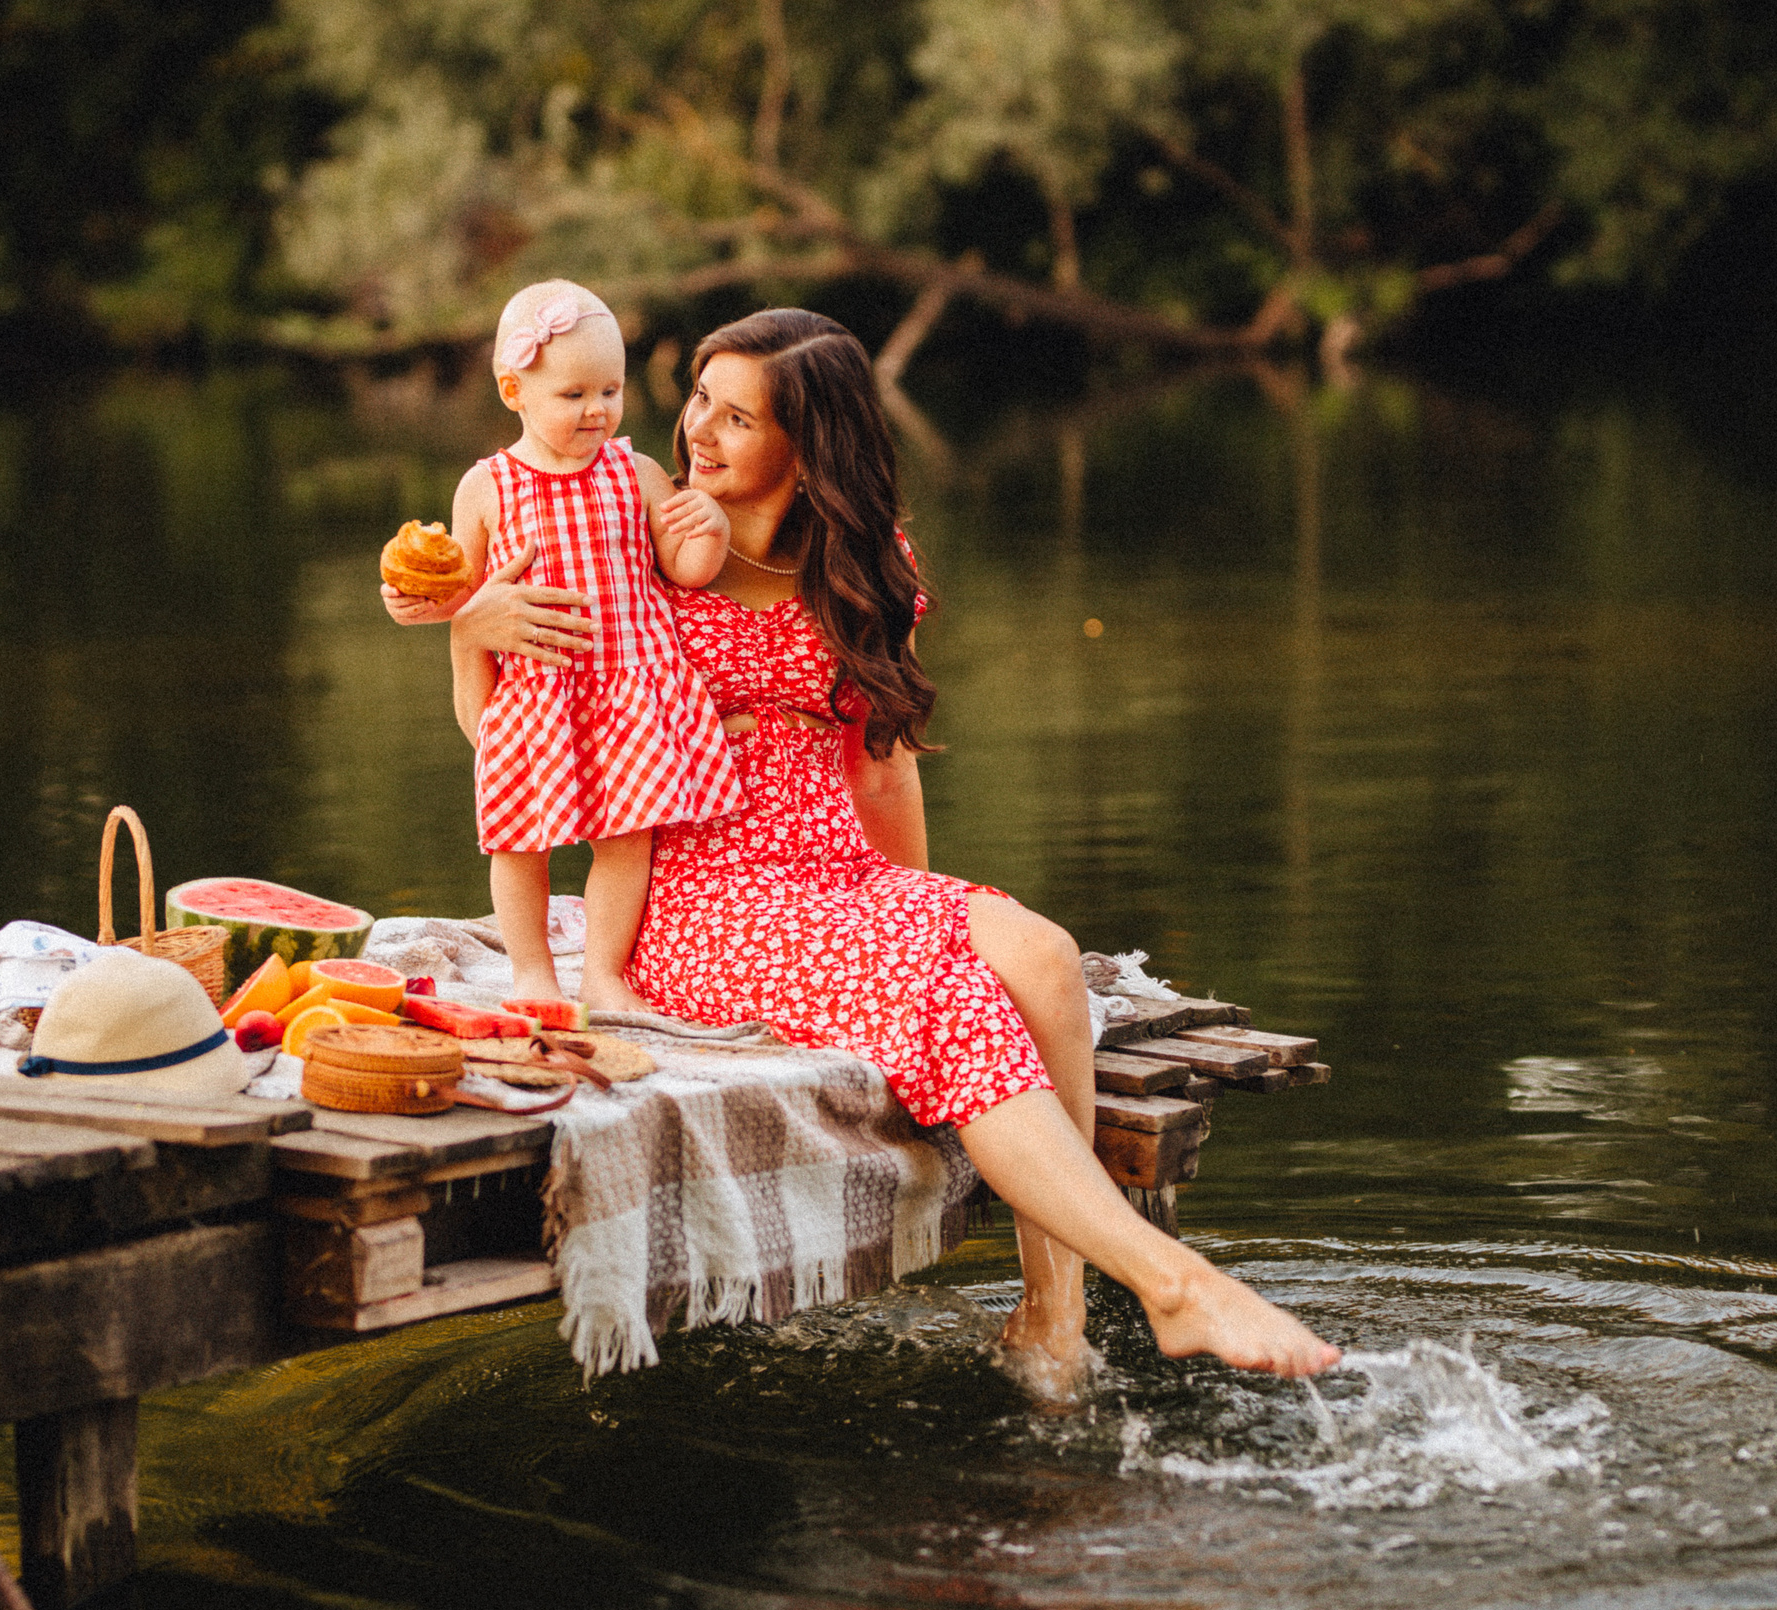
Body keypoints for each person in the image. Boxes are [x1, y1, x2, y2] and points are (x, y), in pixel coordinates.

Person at [408, 306, 1337, 1394]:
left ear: (810, 446)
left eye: (737, 416)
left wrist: (911, 904)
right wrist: (469, 625)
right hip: (697, 897)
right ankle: (1169, 1283)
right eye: (699, 395)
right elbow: (508, 706)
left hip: (835, 871)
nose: (696, 430)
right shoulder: (633, 537)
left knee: (1040, 954)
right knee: (954, 1000)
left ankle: (1053, 1313)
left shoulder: (865, 559)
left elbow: (884, 766)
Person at [386, 280, 742, 1014]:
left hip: (630, 690)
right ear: (514, 390)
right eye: (573, 393)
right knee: (520, 844)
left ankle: (604, 975)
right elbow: (464, 591)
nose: (597, 410)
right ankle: (533, 975)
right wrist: (414, 602)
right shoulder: (488, 487)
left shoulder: (634, 472)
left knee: (627, 840)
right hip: (536, 698)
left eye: (610, 390)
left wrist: (710, 525)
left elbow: (686, 571)